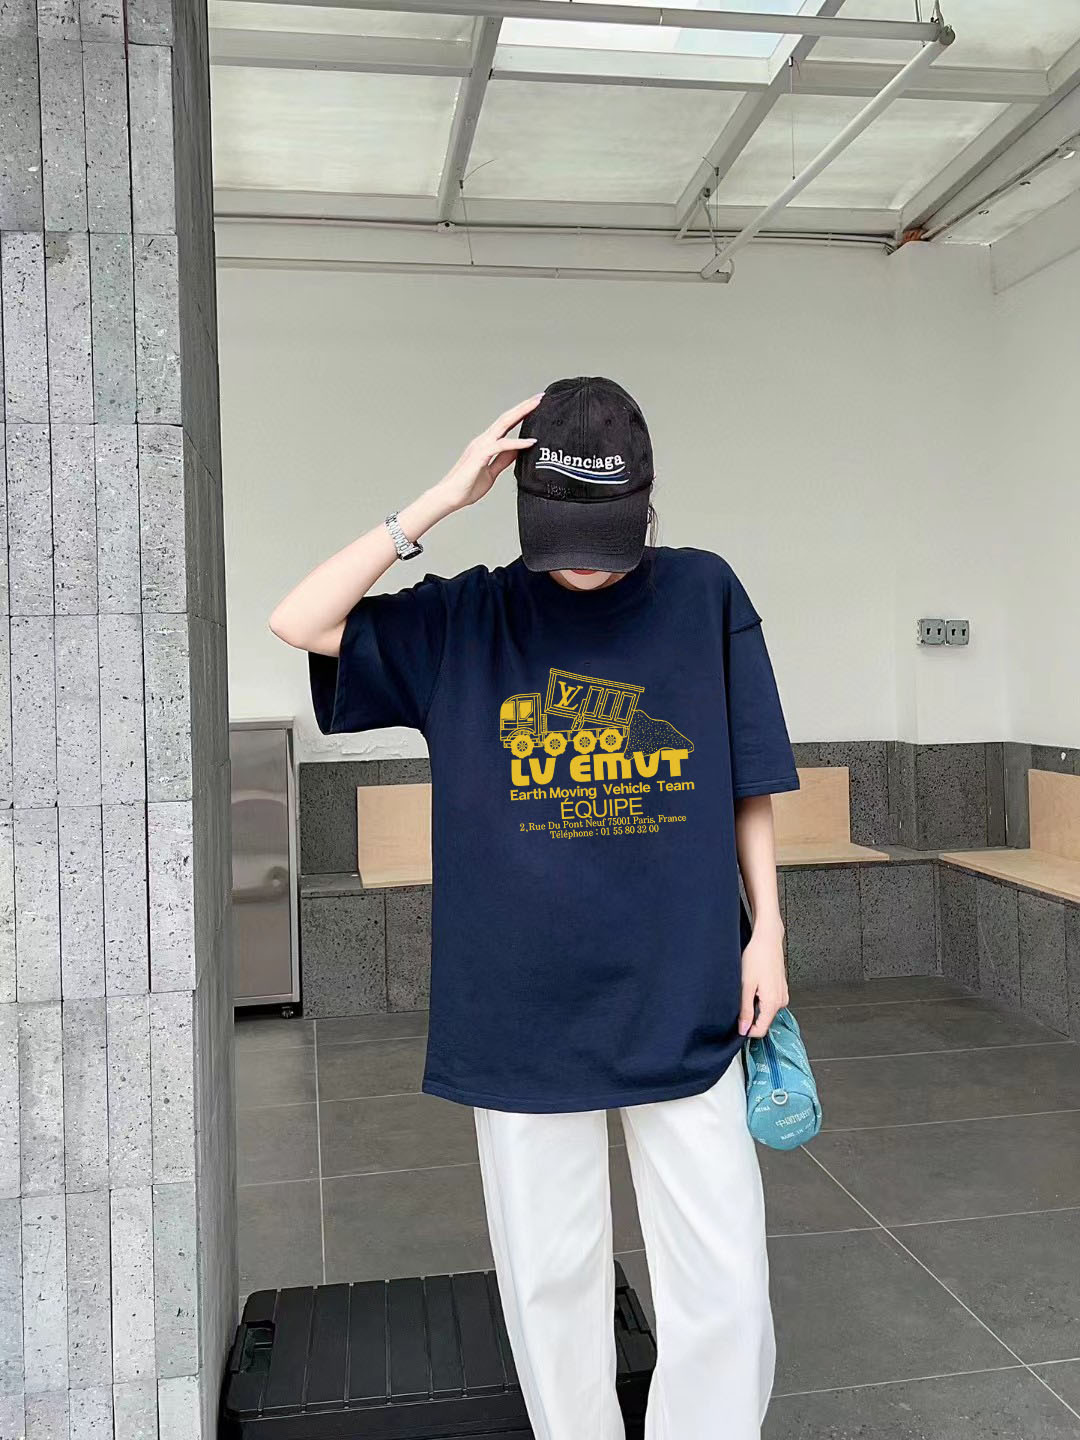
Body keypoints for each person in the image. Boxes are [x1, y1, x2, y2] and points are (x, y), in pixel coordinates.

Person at [269, 376, 800, 1440]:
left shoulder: (704, 593)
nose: (587, 562)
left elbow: (749, 777)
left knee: (728, 1284)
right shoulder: (467, 617)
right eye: (564, 536)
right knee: (552, 1286)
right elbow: (301, 619)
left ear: (646, 504)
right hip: (519, 1005)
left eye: (608, 534)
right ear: (521, 508)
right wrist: (440, 497)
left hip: (685, 984)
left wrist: (770, 935)